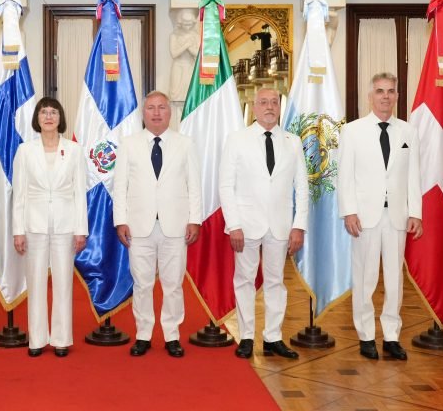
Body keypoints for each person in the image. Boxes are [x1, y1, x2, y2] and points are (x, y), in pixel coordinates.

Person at [219, 87, 308, 360]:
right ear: (254, 107)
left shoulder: (293, 141)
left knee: (276, 282)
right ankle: (246, 336)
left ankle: (273, 337)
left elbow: (302, 188)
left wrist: (299, 225)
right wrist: (233, 224)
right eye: (264, 102)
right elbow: (226, 186)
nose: (269, 107)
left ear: (280, 107)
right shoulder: (237, 140)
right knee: (244, 280)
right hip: (245, 225)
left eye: (274, 102)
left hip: (280, 225)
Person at [338, 72, 422, 361]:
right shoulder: (352, 131)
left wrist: (416, 212)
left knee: (395, 279)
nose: (385, 96)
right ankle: (365, 335)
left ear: (397, 96)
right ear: (370, 96)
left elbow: (414, 175)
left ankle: (391, 336)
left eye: (390, 91)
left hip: (397, 216)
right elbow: (345, 176)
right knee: (365, 277)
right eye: (379, 91)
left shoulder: (408, 132)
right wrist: (349, 211)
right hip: (364, 217)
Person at [113, 90, 202, 358]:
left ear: (169, 112)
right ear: (143, 113)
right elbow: (120, 187)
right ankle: (143, 334)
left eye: (161, 107)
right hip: (138, 226)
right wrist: (120, 221)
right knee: (142, 284)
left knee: (173, 284)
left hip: (176, 225)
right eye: (151, 108)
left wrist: (195, 219)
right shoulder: (129, 144)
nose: (156, 113)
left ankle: (172, 335)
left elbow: (194, 186)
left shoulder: (185, 144)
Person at [12, 97, 88, 358]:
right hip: (33, 225)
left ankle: (61, 339)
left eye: (53, 112)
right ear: (37, 118)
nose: (48, 117)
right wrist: (18, 230)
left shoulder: (74, 150)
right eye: (43, 112)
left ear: (60, 118)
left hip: (66, 225)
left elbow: (80, 193)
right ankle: (37, 338)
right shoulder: (25, 150)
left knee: (64, 283)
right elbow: (19, 194)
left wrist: (81, 229)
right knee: (35, 283)